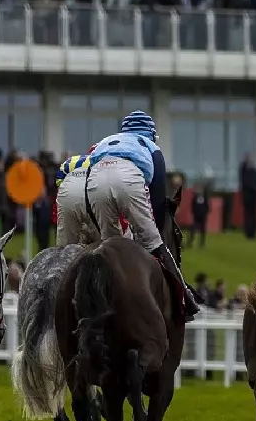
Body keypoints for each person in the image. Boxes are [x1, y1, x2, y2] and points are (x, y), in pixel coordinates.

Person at [85, 110, 199, 318]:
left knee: (110, 247)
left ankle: (101, 299)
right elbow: (156, 196)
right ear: (151, 133)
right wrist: (150, 228)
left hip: (95, 179)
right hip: (127, 178)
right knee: (155, 242)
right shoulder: (151, 147)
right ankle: (185, 300)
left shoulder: (107, 141)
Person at [52, 152, 95, 246]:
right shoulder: (100, 161)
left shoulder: (68, 163)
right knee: (105, 243)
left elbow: (59, 188)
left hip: (68, 195)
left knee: (65, 248)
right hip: (93, 193)